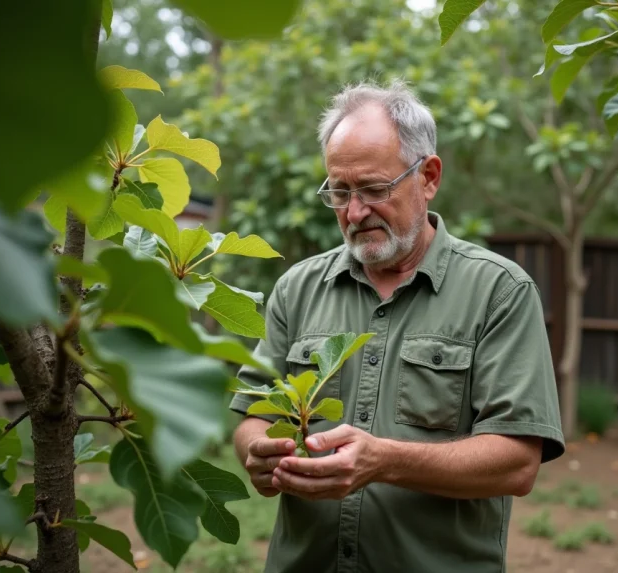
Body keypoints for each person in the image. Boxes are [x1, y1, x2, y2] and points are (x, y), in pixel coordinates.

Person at [228, 80, 565, 573]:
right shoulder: (297, 287)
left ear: (428, 177)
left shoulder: (500, 291)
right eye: (339, 192)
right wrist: (257, 452)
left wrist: (383, 461)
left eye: (373, 188)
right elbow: (252, 413)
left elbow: (517, 462)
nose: (354, 212)